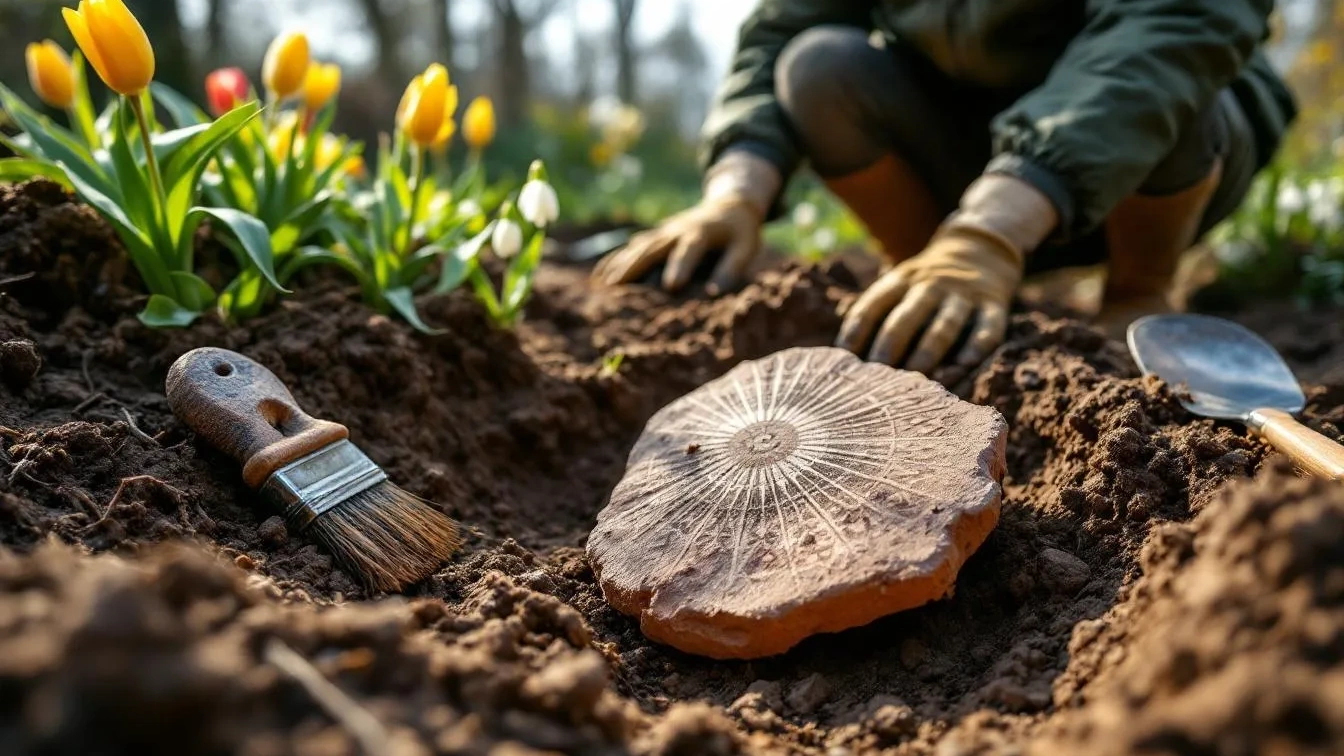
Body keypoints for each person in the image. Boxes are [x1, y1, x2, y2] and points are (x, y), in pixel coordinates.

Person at [593, 0, 1295, 374]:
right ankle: (928, 281)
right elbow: (785, 26)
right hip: (966, 152)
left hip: (1148, 172)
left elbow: (1168, 35)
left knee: (1164, 88)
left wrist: (986, 235)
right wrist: (736, 190)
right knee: (820, 69)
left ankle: (1138, 294)